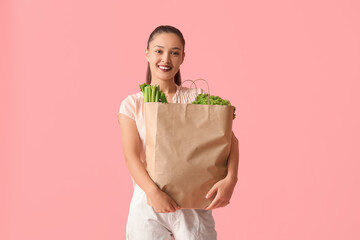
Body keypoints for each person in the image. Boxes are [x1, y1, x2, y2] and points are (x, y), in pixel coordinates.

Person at [117, 25, 239, 240]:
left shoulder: (196, 98)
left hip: (194, 203)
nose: (166, 59)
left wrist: (230, 180)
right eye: (159, 51)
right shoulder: (132, 104)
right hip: (147, 201)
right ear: (147, 53)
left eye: (175, 53)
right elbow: (131, 157)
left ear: (183, 57)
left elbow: (230, 141)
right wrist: (154, 193)